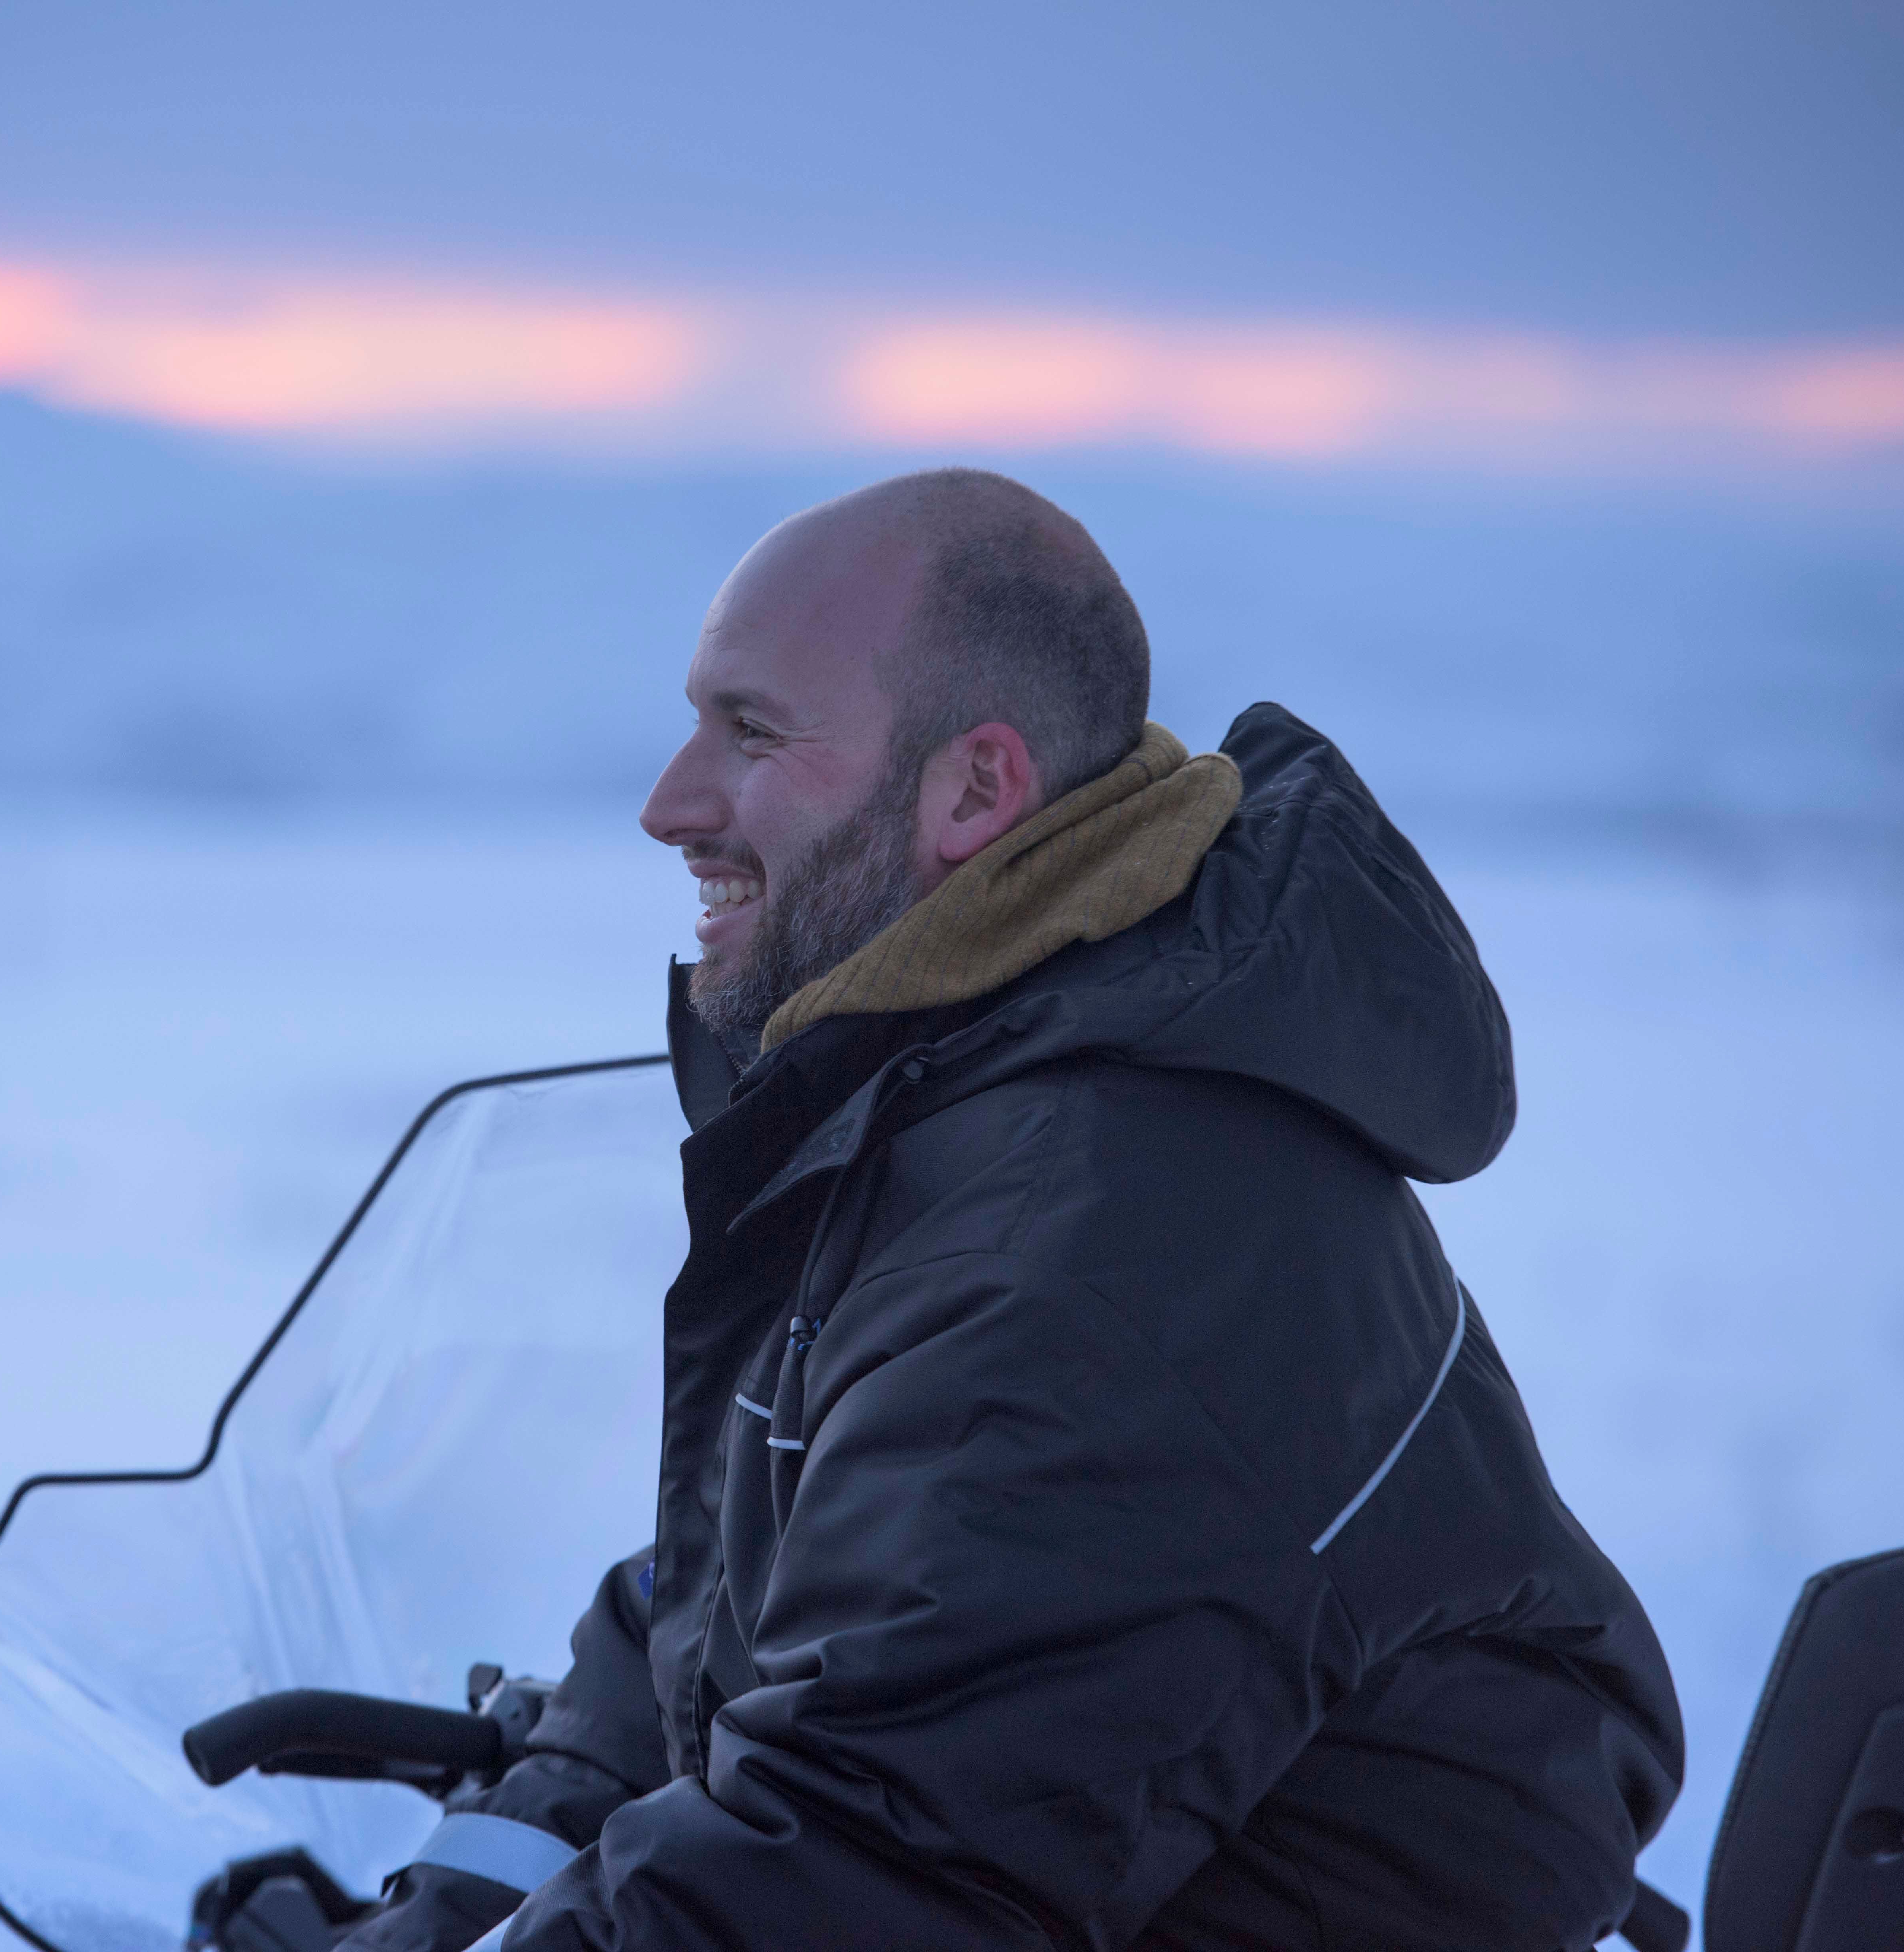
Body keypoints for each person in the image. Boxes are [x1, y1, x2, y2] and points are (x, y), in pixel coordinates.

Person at [337, 470, 1683, 1950]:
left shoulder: (1101, 1244)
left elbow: (847, 1877)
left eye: (752, 731)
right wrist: (494, 1858)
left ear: (978, 791)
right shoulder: (969, 1082)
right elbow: (751, 1577)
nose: (672, 803)